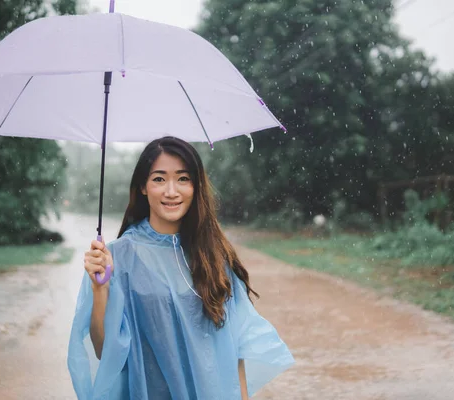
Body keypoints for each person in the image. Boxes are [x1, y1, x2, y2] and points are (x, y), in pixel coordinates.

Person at [68, 136, 294, 400]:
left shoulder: (213, 255)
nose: (171, 191)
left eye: (183, 179)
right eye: (159, 179)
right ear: (143, 186)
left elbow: (235, 349)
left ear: (196, 186)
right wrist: (100, 288)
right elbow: (103, 349)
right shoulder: (117, 257)